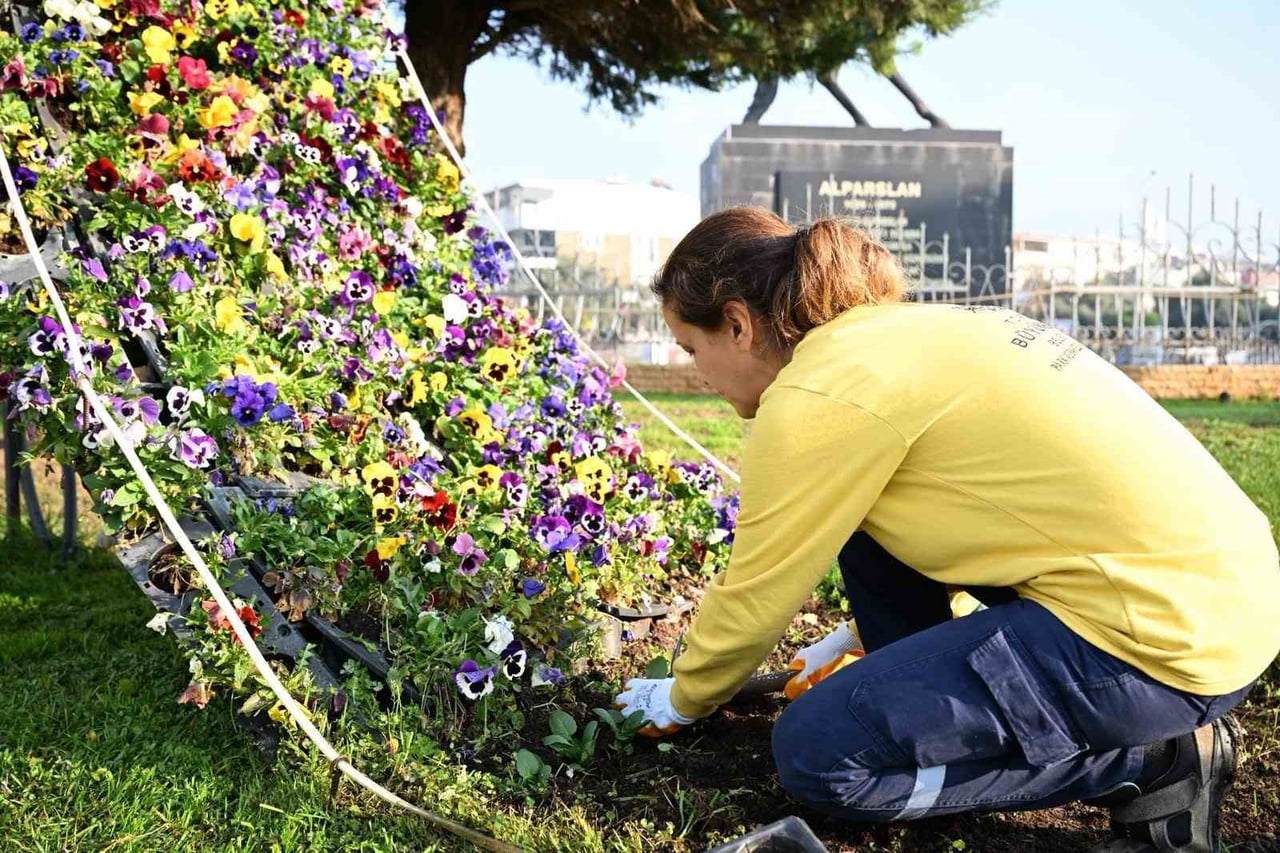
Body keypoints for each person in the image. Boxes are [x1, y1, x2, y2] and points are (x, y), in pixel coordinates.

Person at [613, 207, 1280, 853]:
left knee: (818, 755)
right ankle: (952, 703)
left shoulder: (818, 394)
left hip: (1161, 644)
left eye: (689, 347)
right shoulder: (900, 336)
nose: (696, 375)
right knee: (863, 521)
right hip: (1221, 596)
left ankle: (1155, 757)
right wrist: (859, 636)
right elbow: (980, 515)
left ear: (736, 325)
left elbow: (755, 593)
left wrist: (682, 696)